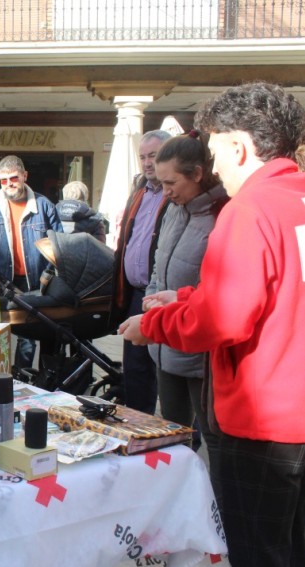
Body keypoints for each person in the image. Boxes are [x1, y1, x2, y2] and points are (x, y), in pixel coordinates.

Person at [119, 82, 305, 566]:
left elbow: (225, 319)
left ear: (240, 147)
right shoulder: (297, 199)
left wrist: (155, 324)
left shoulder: (248, 210)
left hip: (259, 422)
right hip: (295, 412)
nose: (215, 166)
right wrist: (185, 297)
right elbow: (277, 291)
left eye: (217, 149)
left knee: (256, 550)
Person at [144, 131, 228, 501]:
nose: (165, 191)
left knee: (212, 439)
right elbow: (157, 268)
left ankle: (213, 505)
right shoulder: (174, 210)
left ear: (197, 174)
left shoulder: (223, 216)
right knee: (171, 435)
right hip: (166, 345)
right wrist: (150, 302)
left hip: (200, 355)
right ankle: (173, 504)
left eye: (171, 182)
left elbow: (217, 294)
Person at [0, 155, 62, 370]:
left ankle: (27, 379)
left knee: (29, 335)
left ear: (24, 176)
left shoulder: (44, 205)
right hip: (0, 281)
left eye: (13, 178)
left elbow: (59, 246)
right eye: (3, 180)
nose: (9, 184)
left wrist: (49, 273)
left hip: (37, 281)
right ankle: (2, 378)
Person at [112, 129, 171, 414]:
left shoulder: (174, 195)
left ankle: (183, 437)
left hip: (165, 295)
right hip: (136, 294)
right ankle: (138, 427)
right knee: (135, 369)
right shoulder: (139, 192)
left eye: (154, 156)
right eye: (143, 156)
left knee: (168, 369)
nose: (148, 163)